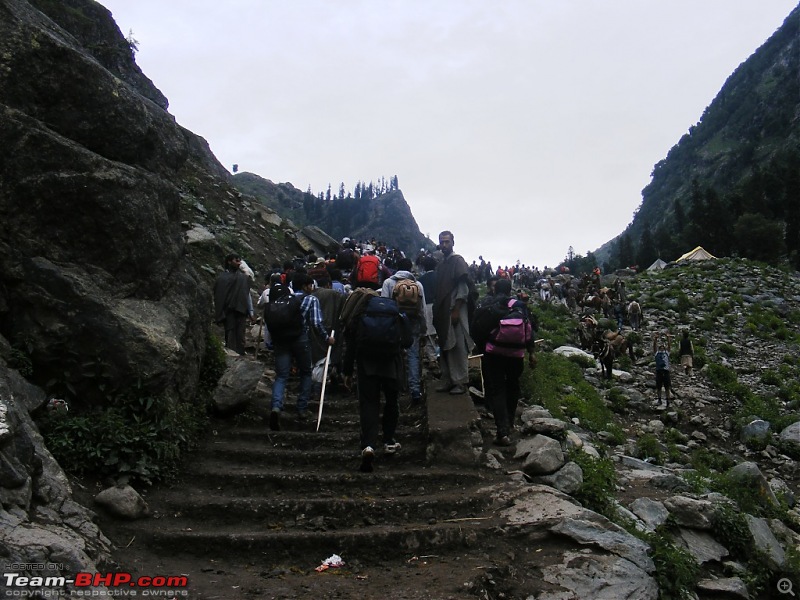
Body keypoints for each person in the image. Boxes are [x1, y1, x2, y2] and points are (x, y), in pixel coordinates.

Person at [342, 297, 409, 472]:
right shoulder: (398, 315)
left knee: (369, 403)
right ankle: (388, 440)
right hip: (391, 365)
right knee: (391, 402)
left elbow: (351, 344)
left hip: (367, 366)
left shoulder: (361, 315)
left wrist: (347, 371)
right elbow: (408, 341)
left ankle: (369, 445)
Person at [474, 279, 536, 446]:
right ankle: (510, 422)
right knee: (513, 384)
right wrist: (532, 353)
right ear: (510, 291)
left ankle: (502, 432)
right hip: (516, 353)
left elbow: (477, 327)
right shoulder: (518, 305)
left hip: (493, 353)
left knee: (498, 389)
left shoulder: (487, 303)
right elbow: (530, 327)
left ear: (495, 289)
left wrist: (481, 347)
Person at [269, 274, 334, 431]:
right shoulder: (311, 299)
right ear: (305, 286)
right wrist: (327, 338)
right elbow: (317, 323)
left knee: (281, 375)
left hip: (282, 340)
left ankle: (276, 406)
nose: (312, 288)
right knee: (305, 373)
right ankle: (302, 408)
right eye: (310, 285)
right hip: (300, 339)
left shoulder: (285, 299)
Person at [432, 231, 474, 395]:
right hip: (443, 310)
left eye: (447, 242)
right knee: (445, 344)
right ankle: (448, 379)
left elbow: (463, 289)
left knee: (457, 346)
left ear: (453, 243)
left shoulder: (458, 261)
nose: (444, 245)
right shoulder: (442, 264)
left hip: (454, 309)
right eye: (442, 242)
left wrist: (456, 309)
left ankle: (460, 381)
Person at [381, 258, 426, 404]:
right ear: (410, 268)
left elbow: (384, 306)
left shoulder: (388, 282)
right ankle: (415, 390)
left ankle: (395, 388)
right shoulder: (417, 284)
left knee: (394, 355)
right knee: (413, 356)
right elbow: (423, 309)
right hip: (412, 325)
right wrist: (424, 330)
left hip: (394, 323)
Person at [213, 253, 254, 355]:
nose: (239, 263)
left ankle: (241, 356)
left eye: (240, 261)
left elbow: (246, 295)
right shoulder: (222, 278)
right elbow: (219, 296)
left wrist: (250, 311)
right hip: (229, 312)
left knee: (240, 336)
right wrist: (220, 312)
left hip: (241, 311)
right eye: (236, 260)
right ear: (229, 262)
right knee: (230, 334)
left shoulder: (243, 278)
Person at [653, 333, 672, 409]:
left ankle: (668, 400)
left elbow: (669, 346)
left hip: (666, 371)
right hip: (659, 371)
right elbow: (654, 347)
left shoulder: (666, 353)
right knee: (659, 387)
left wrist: (668, 338)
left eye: (663, 347)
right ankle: (659, 399)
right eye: (660, 347)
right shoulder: (657, 353)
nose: (661, 348)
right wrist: (655, 339)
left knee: (667, 387)